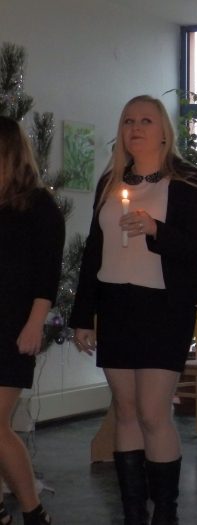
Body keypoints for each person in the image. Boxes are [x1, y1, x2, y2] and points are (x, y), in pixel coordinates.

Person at [69, 95, 197, 525]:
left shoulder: (188, 182)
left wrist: (155, 229)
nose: (135, 127)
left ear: (164, 130)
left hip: (164, 307)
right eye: (129, 120)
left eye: (146, 120)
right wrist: (83, 316)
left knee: (153, 413)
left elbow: (196, 247)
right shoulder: (110, 182)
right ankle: (133, 514)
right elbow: (93, 253)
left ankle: (165, 514)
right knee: (126, 411)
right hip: (116, 305)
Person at [0, 115, 65, 525]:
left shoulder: (39, 205)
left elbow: (47, 274)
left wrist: (34, 324)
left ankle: (33, 511)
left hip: (12, 327)